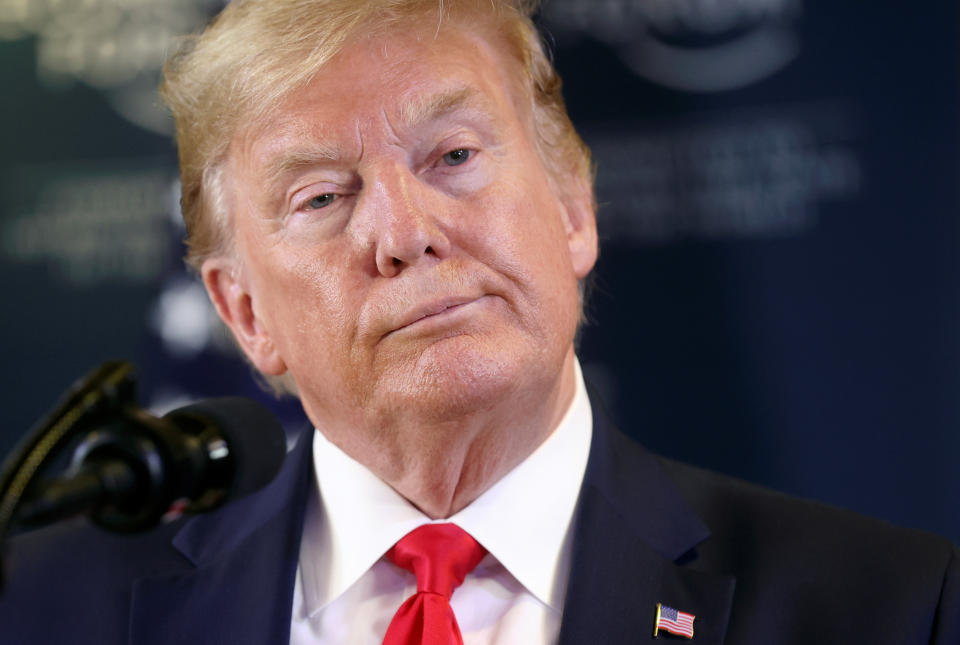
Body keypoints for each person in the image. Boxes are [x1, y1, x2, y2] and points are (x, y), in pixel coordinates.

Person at [1, 1, 958, 643]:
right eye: (324, 196)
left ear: (573, 210)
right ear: (246, 313)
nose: (405, 234)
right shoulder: (47, 609)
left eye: (454, 154)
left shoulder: (887, 606)